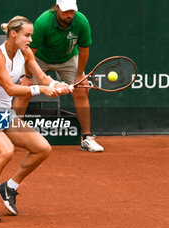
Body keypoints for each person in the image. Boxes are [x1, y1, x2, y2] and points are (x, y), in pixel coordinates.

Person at [0, 16, 71, 221]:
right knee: (6, 150)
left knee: (43, 149)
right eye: (27, 35)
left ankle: (9, 187)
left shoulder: (26, 53)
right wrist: (41, 89)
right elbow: (10, 88)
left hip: (2, 114)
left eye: (31, 36)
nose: (30, 40)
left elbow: (42, 77)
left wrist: (56, 86)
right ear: (13, 34)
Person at [12, 0, 104, 152]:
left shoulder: (81, 21)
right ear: (56, 8)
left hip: (67, 59)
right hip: (39, 59)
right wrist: (28, 76)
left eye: (72, 11)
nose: (69, 15)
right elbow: (30, 51)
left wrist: (80, 74)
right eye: (66, 11)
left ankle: (87, 138)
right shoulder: (43, 22)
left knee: (82, 90)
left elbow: (84, 49)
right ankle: (12, 136)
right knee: (24, 90)